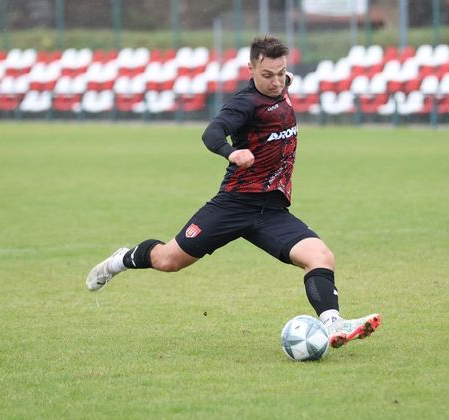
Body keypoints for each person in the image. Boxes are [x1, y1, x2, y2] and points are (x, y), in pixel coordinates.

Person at [86, 36, 381, 349]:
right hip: (233, 205)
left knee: (321, 256)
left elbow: (283, 80)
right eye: (267, 75)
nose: (276, 81)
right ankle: (122, 259)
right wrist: (231, 152)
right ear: (250, 70)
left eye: (281, 73)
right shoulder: (245, 103)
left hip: (271, 212)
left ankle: (334, 324)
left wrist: (283, 78)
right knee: (168, 260)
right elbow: (211, 132)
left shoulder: (283, 84)